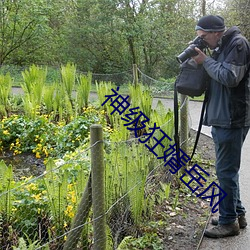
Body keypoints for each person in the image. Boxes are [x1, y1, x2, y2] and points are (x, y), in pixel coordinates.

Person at [192, 15, 250, 238]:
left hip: (232, 118)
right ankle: (237, 214)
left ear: (216, 32)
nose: (203, 41)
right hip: (223, 117)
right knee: (227, 171)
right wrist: (202, 60)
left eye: (204, 37)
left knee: (225, 171)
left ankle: (228, 223)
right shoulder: (221, 46)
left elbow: (229, 77)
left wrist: (205, 61)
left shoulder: (238, 44)